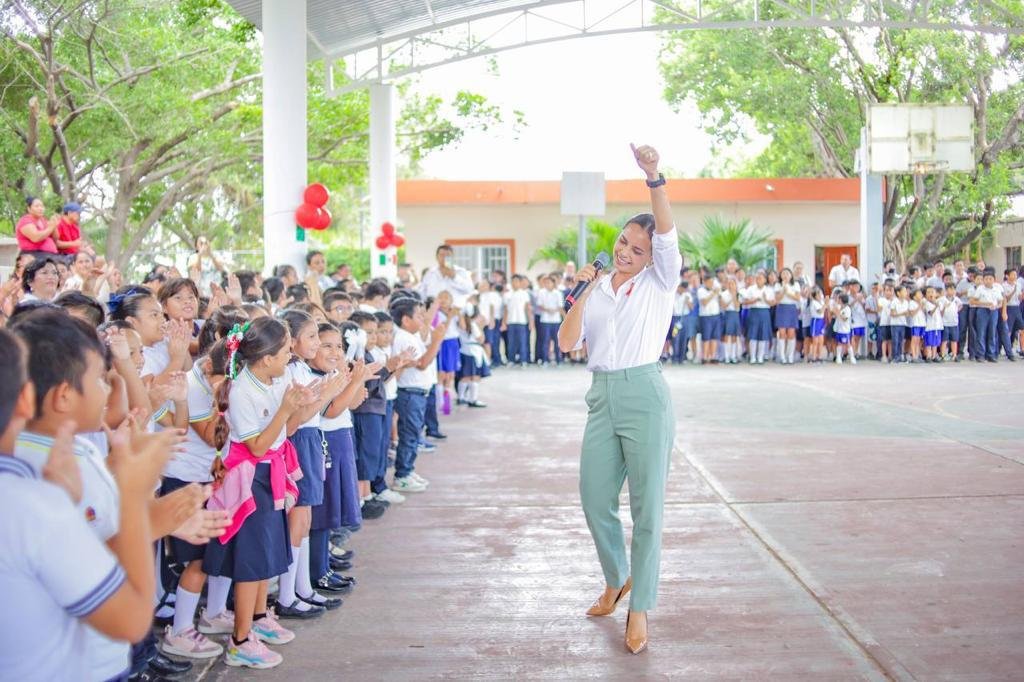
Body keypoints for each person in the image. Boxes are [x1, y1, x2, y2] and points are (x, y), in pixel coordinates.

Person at [557, 143, 680, 655]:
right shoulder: (599, 286)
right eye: (623, 242)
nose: (627, 251)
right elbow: (567, 344)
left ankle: (639, 606)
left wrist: (653, 177)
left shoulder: (660, 282)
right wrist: (582, 290)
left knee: (647, 508)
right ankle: (617, 576)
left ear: (652, 257)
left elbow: (667, 231)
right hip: (602, 396)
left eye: (638, 247)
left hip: (645, 393)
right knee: (594, 497)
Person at [202, 317, 315, 669]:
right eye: (285, 351)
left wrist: (303, 401)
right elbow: (256, 446)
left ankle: (259, 616)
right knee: (251, 561)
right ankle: (239, 640)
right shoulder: (243, 392)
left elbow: (284, 428)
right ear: (266, 358)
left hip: (270, 474)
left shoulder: (272, 377)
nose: (290, 355)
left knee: (266, 553)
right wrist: (285, 408)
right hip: (251, 478)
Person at [389, 298, 446, 494]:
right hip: (409, 393)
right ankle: (402, 475)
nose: (423, 319)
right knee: (409, 434)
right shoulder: (403, 337)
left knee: (413, 432)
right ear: (406, 319)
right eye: (419, 316)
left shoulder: (410, 336)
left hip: (417, 393)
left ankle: (408, 469)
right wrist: (438, 340)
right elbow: (422, 363)